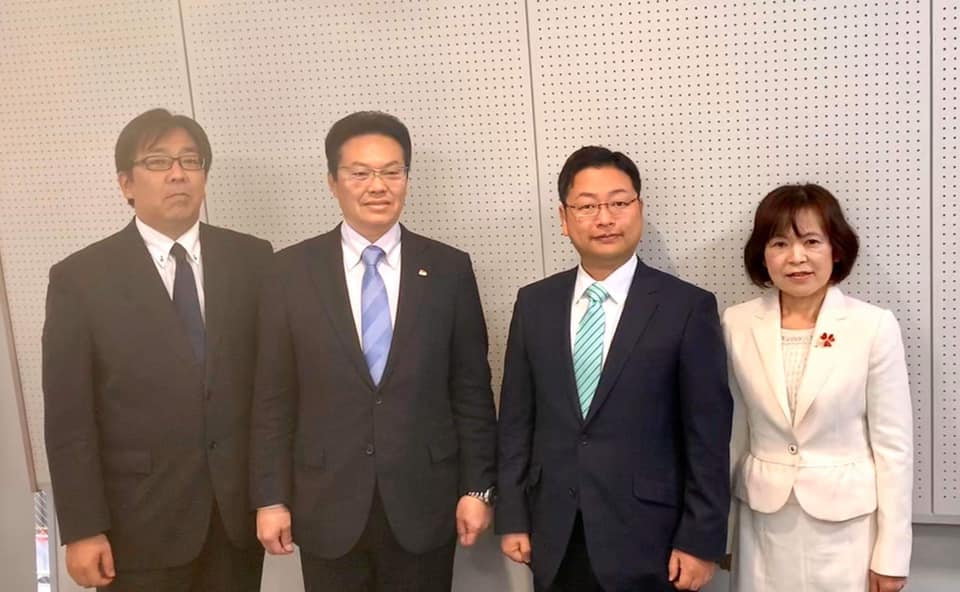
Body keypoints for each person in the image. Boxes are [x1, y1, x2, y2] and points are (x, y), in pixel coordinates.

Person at [251, 111, 497, 592]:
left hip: (425, 499)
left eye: (391, 171)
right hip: (326, 503)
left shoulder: (449, 269)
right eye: (360, 173)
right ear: (333, 182)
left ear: (407, 178)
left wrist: (477, 488)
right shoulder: (289, 272)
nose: (377, 186)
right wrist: (270, 497)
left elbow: (471, 390)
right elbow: (272, 397)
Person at [42, 108, 271, 591]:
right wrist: (82, 528)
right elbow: (68, 418)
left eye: (191, 160)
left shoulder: (251, 258)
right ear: (126, 183)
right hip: (137, 524)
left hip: (234, 519)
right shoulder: (80, 279)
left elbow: (271, 387)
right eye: (158, 161)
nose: (177, 173)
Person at [496, 146, 732, 591]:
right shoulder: (534, 303)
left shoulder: (686, 307)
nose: (604, 218)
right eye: (587, 206)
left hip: (652, 539)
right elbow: (516, 419)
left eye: (619, 202)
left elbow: (708, 436)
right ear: (564, 219)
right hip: (555, 532)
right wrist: (512, 515)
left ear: (639, 209)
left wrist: (701, 540)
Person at [723, 184, 913, 592]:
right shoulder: (735, 324)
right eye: (780, 243)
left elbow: (893, 448)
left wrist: (892, 554)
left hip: (848, 532)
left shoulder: (872, 326)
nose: (797, 257)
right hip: (762, 524)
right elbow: (732, 434)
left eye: (811, 241)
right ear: (762, 254)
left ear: (836, 249)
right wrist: (722, 533)